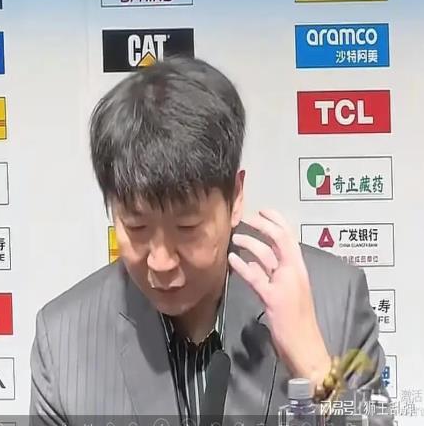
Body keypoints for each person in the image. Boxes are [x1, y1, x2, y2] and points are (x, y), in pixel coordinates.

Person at [29, 57, 390, 425]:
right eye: (137, 227)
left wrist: (315, 369)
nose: (161, 262)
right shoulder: (62, 344)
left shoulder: (334, 302)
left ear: (235, 197)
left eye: (186, 227)